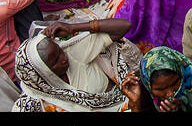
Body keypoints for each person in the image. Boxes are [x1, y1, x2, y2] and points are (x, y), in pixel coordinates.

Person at [11, 20, 141, 112]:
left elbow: (124, 26)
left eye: (59, 51)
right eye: (55, 61)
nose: (63, 59)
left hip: (130, 105)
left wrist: (73, 27)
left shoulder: (73, 54)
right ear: (43, 74)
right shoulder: (39, 100)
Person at [123, 46, 192, 112]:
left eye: (175, 83)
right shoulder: (146, 91)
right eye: (160, 89)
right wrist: (135, 103)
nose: (170, 93)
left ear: (181, 72)